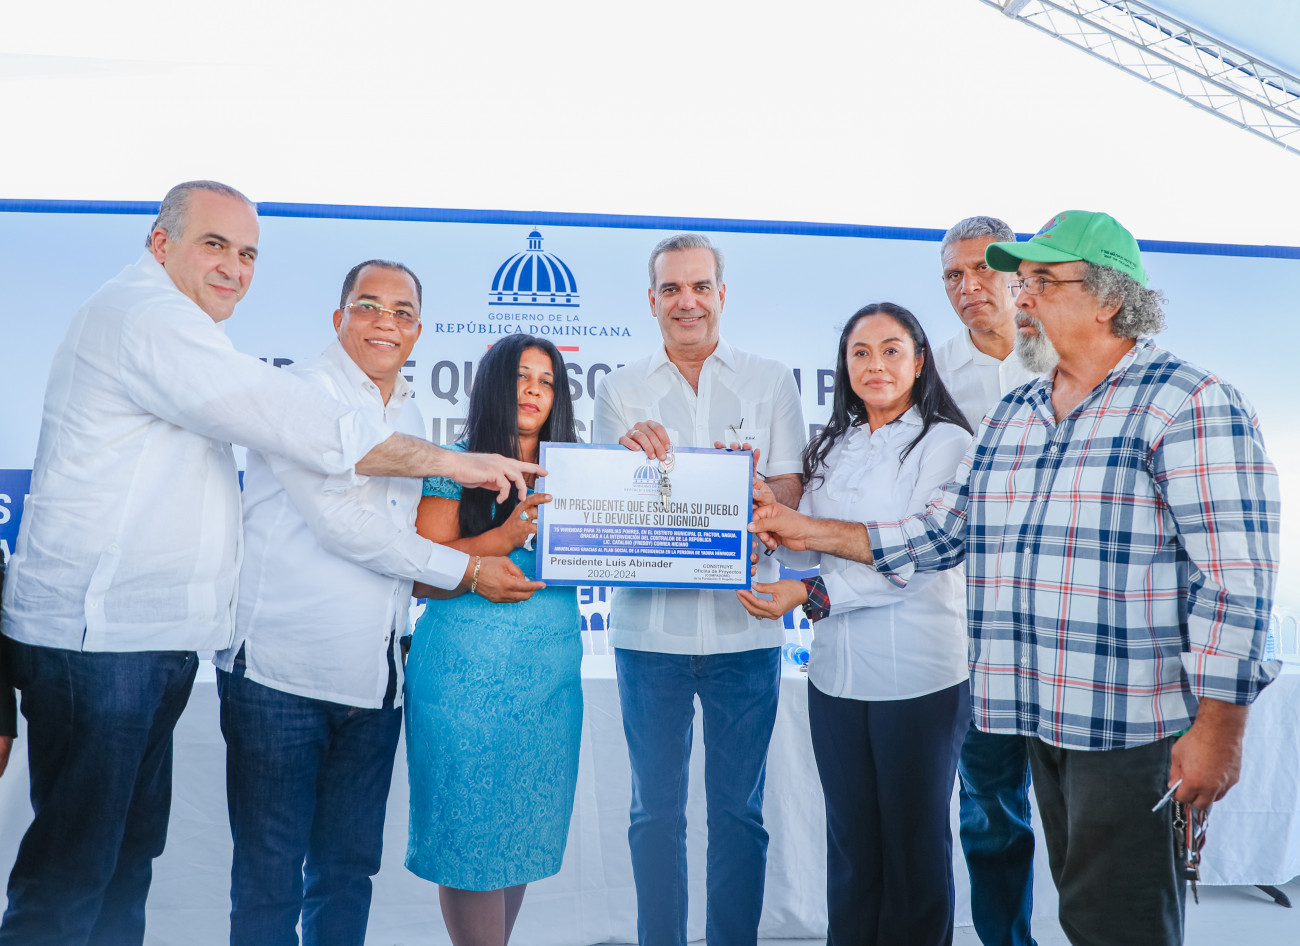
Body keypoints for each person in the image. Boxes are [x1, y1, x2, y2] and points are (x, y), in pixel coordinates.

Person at [0, 181, 540, 946]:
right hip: (124, 650)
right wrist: (462, 480)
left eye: (248, 253)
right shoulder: (149, 321)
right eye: (214, 244)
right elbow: (324, 470)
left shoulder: (192, 334)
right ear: (161, 243)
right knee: (85, 874)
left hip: (163, 648)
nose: (234, 266)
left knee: (127, 864)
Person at [749, 211, 1281, 946]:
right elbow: (941, 533)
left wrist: (1220, 729)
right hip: (1035, 715)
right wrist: (799, 527)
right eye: (1022, 282)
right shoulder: (1016, 414)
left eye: (1041, 283)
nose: (1019, 298)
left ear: (1110, 298)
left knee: (1119, 924)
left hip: (1131, 726)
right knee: (1078, 908)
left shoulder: (1188, 402)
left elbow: (1236, 583)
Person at [215, 260, 540, 946]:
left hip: (374, 682)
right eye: (368, 306)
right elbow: (344, 526)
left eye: (401, 312)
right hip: (280, 677)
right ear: (339, 318)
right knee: (270, 877)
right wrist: (470, 569)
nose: (385, 323)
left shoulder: (411, 415)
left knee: (347, 872)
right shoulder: (301, 392)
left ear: (418, 331)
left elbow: (403, 537)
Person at [592, 234, 806, 946]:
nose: (688, 301)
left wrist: (751, 492)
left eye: (700, 286)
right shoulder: (619, 389)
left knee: (739, 813)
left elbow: (790, 487)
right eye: (672, 289)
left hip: (746, 627)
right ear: (651, 300)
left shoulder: (771, 379)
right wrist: (625, 463)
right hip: (648, 635)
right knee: (654, 813)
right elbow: (604, 506)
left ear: (722, 294)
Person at [737, 302, 973, 945]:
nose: (875, 365)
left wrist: (807, 593)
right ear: (844, 366)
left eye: (892, 350)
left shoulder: (948, 444)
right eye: (860, 353)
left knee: (913, 852)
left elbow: (914, 561)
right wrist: (761, 515)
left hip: (919, 680)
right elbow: (805, 548)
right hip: (836, 680)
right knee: (850, 848)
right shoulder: (833, 445)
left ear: (919, 362)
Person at [404, 333, 582, 946]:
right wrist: (497, 541)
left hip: (548, 680)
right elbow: (419, 574)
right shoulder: (454, 464)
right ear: (492, 387)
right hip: (463, 682)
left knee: (520, 833)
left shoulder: (580, 473)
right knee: (469, 836)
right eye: (520, 377)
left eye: (547, 380)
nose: (533, 390)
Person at [935, 216, 1040, 946]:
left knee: (1088, 810)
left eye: (983, 269)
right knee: (991, 806)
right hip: (974, 629)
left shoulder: (1069, 354)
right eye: (953, 275)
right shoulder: (930, 375)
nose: (969, 286)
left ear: (1018, 273)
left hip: (1074, 623)